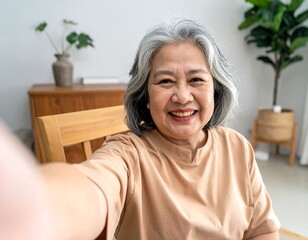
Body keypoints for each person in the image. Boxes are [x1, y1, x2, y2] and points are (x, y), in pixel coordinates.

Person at [0, 18, 280, 240]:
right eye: (165, 81)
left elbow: (263, 230)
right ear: (145, 96)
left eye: (196, 79)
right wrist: (35, 208)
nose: (182, 96)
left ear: (216, 89)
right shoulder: (128, 155)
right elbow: (90, 187)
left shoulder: (237, 146)